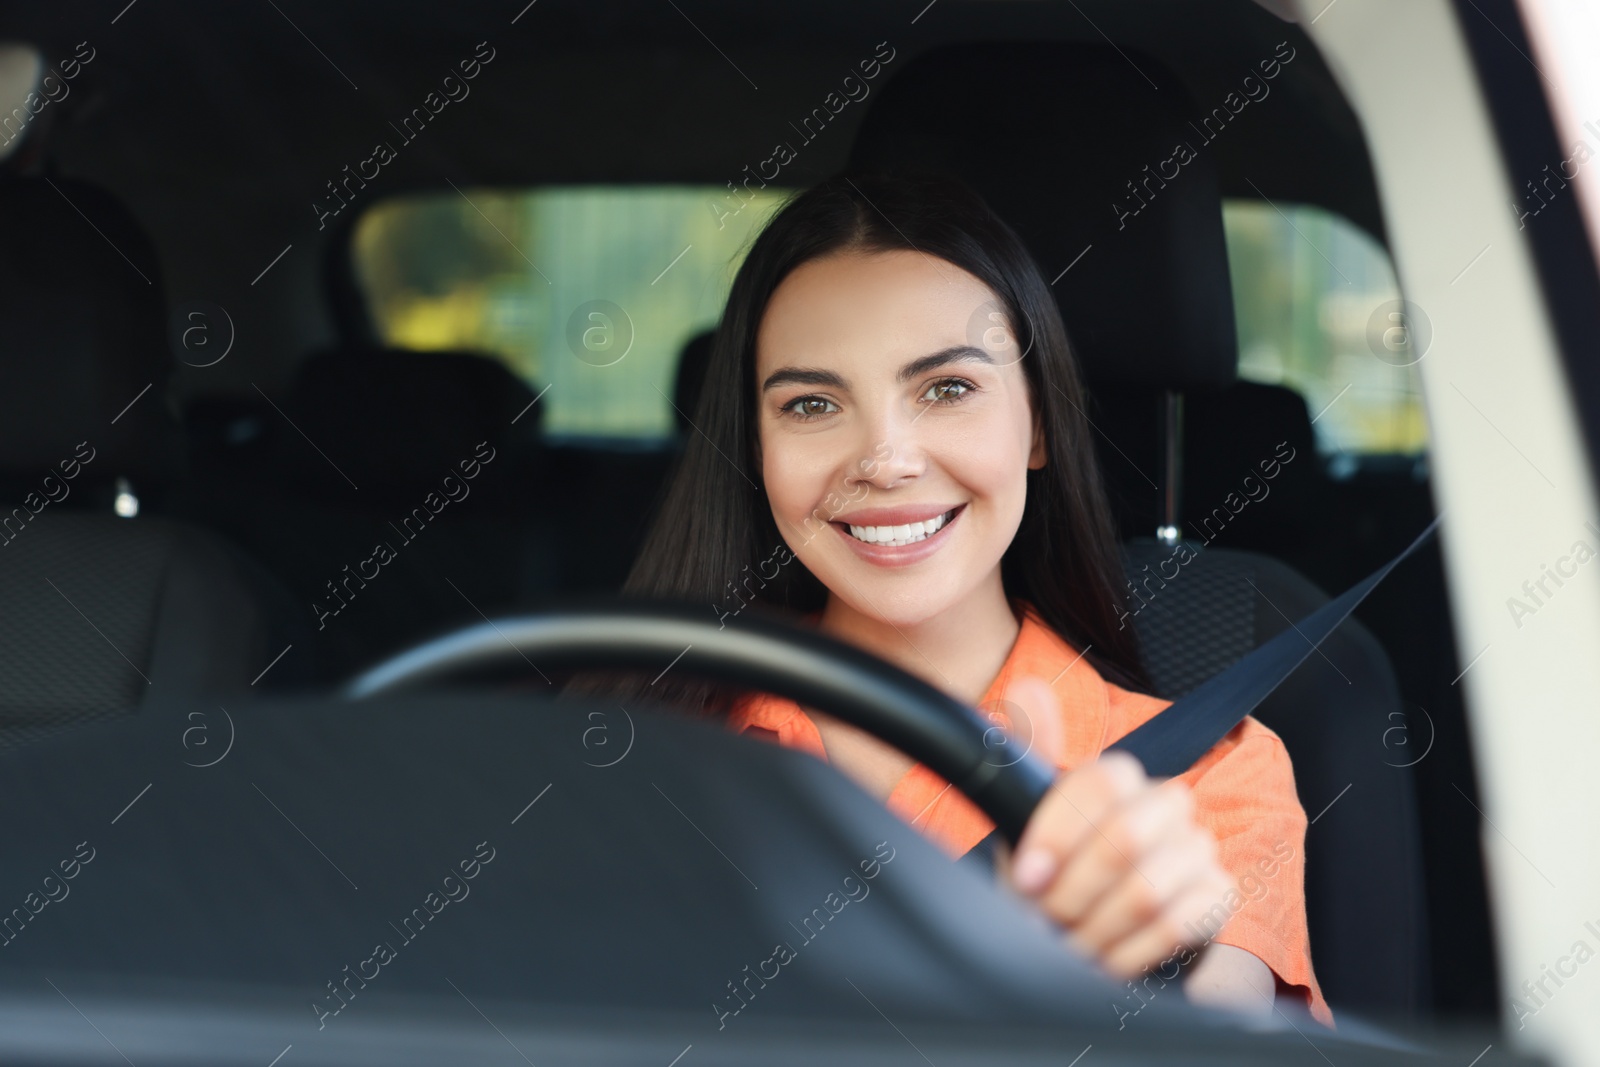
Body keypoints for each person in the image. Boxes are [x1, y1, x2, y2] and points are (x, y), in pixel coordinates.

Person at [588, 173, 1330, 1026]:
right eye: (813, 403)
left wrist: (1135, 966)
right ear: (757, 450)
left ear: (1041, 424)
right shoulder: (637, 748)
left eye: (946, 388)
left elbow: (1219, 1026)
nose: (886, 460)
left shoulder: (1205, 774)